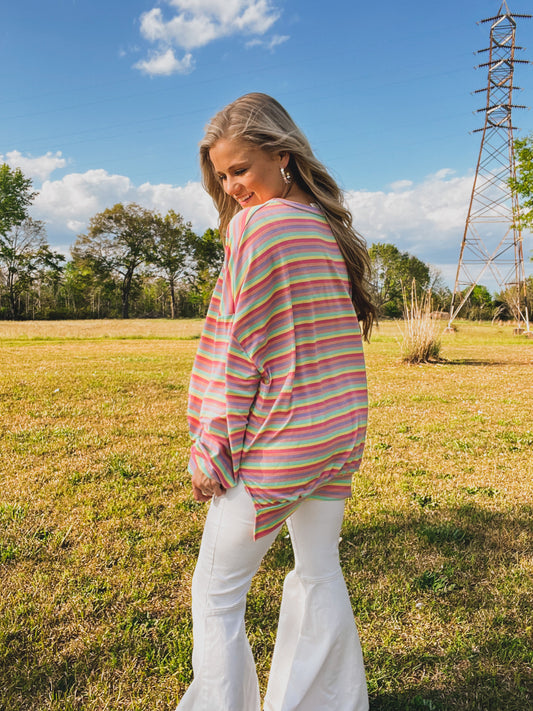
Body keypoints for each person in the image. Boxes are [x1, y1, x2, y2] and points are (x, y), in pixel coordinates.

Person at [177, 92, 376, 711]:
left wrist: (213, 444)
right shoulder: (326, 224)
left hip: (283, 443)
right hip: (338, 434)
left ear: (281, 156)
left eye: (242, 169)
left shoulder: (256, 227)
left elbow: (240, 349)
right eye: (222, 174)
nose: (232, 185)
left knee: (216, 591)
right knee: (319, 572)